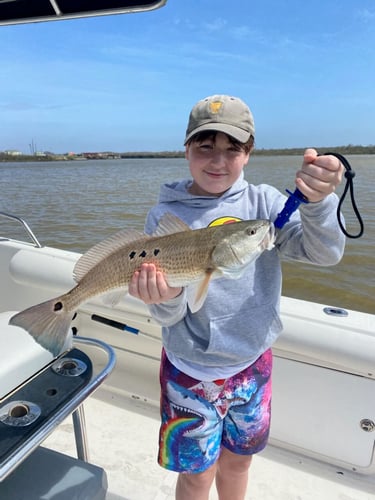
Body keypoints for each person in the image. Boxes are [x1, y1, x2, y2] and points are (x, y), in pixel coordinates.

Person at [129, 94, 345, 500]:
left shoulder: (265, 205)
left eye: (234, 149)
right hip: (189, 370)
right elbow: (169, 312)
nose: (218, 161)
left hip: (253, 364)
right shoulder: (164, 216)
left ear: (248, 154)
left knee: (240, 462)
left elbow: (325, 253)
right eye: (205, 147)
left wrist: (318, 203)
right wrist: (166, 296)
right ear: (187, 149)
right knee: (196, 475)